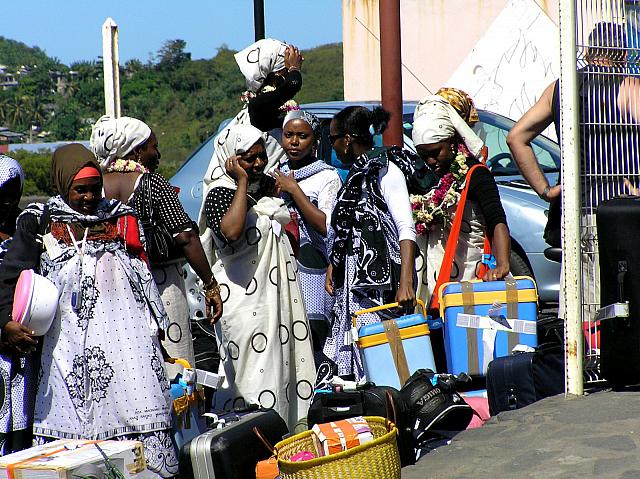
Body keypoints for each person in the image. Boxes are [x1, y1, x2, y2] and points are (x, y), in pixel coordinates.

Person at [0, 144, 177, 477]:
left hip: (129, 349)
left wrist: (160, 342)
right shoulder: (40, 221)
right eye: (80, 190)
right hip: (66, 351)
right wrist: (6, 323)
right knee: (76, 447)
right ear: (63, 184)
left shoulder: (122, 217)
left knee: (140, 419)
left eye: (95, 189)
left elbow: (143, 276)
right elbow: (11, 275)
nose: (88, 197)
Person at [506, 21, 639, 317]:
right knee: (627, 297)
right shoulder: (630, 88)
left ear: (589, 52)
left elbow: (516, 137)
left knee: (583, 304)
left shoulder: (561, 88)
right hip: (626, 210)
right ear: (623, 54)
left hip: (579, 208)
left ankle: (580, 357)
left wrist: (545, 190)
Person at [91, 115, 222, 383]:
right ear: (137, 150)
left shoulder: (94, 188)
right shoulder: (153, 184)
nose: (158, 154)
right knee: (173, 364)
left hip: (111, 290)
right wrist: (210, 284)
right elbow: (185, 236)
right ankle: (177, 421)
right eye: (153, 147)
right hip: (161, 287)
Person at [199, 123, 315, 428]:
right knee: (251, 379)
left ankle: (285, 439)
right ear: (230, 159)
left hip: (273, 301)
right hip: (243, 305)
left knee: (282, 371)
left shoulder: (259, 185)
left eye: (261, 156)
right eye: (248, 159)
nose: (258, 164)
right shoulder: (219, 195)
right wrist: (239, 182)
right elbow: (233, 232)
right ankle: (252, 443)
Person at [323, 106, 418, 380]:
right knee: (358, 345)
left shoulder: (386, 171)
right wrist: (335, 265)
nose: (333, 147)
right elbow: (346, 230)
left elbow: (405, 227)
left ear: (348, 139)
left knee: (384, 350)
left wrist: (406, 284)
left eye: (334, 139)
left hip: (384, 286)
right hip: (353, 284)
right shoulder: (354, 176)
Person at [411, 94, 511, 310]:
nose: (430, 161)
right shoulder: (426, 177)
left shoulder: (476, 174)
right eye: (423, 155)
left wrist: (502, 265)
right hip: (431, 284)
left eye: (435, 152)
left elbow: (497, 219)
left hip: (469, 276)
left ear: (453, 141)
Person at [273, 110, 342, 361]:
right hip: (282, 262)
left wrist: (295, 191)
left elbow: (326, 225)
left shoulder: (327, 176)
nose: (294, 142)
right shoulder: (274, 174)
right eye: (288, 135)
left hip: (313, 265)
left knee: (313, 333)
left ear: (315, 141)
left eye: (302, 136)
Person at [218, 38, 304, 173]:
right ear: (276, 74)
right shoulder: (258, 106)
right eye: (285, 70)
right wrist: (294, 68)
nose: (288, 75)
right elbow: (292, 84)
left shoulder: (272, 105)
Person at [0, 156, 35, 456]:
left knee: (24, 438)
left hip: (26, 355)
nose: (7, 204)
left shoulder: (28, 231)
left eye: (13, 195)